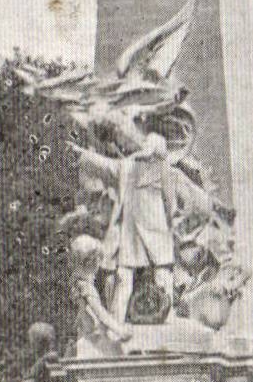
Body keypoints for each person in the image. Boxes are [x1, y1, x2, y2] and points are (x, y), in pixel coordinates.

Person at [71, 132, 180, 326]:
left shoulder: (166, 171)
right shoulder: (127, 167)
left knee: (162, 275)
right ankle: (116, 321)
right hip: (133, 232)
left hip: (156, 231)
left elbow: (170, 203)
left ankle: (167, 320)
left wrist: (169, 226)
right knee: (124, 277)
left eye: (148, 144)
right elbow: (105, 165)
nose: (144, 148)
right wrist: (82, 154)